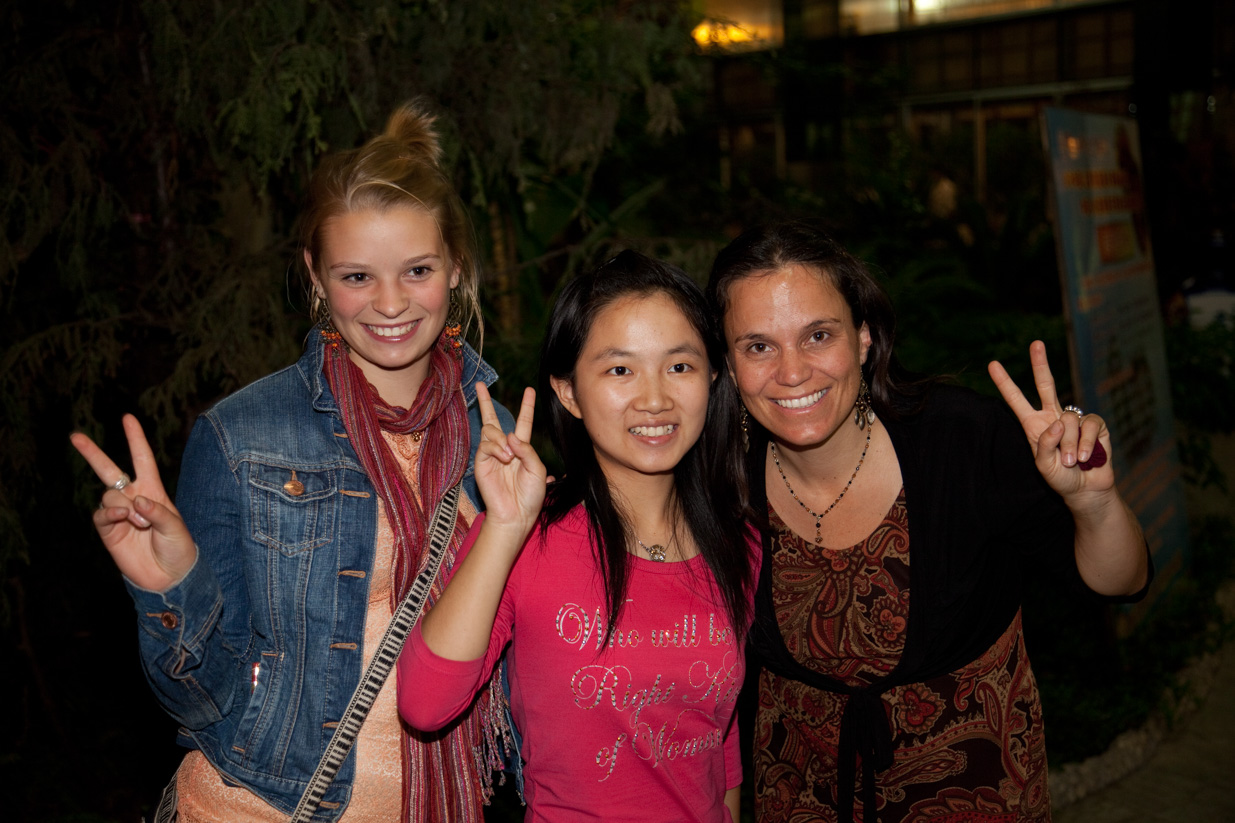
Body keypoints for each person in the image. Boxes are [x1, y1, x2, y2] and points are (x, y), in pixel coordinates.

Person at [69, 102, 516, 822]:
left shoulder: (499, 437)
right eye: (357, 276)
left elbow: (529, 668)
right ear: (315, 276)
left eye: (417, 270)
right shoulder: (244, 435)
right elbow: (201, 701)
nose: (390, 303)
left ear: (456, 267)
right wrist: (171, 589)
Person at [705, 221, 1152, 823]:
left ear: (864, 337)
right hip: (799, 798)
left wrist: (1093, 503)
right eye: (758, 346)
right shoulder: (718, 480)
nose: (792, 371)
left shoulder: (962, 442)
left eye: (818, 335)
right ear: (728, 365)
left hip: (975, 796)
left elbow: (1122, 581)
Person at [397, 251, 758, 823]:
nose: (655, 399)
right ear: (568, 392)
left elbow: (720, 742)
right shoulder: (528, 535)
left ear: (712, 377)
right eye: (619, 370)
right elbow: (425, 704)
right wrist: (505, 527)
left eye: (680, 366)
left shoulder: (739, 541)